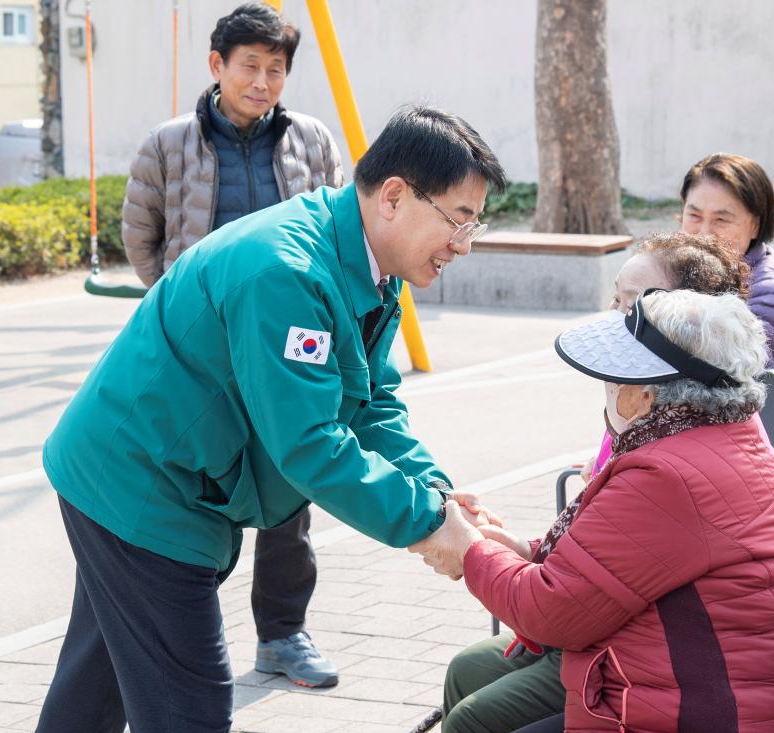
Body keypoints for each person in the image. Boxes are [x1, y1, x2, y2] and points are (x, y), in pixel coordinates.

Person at [35, 106, 507, 733]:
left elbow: (370, 402)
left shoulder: (365, 263)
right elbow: (310, 444)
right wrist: (427, 524)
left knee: (95, 691)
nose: (462, 244)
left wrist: (438, 494)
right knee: (190, 708)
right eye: (458, 220)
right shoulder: (288, 273)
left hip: (153, 476)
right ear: (394, 196)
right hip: (142, 489)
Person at [413, 289, 774, 733]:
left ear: (646, 398)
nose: (609, 390)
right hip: (709, 694)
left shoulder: (668, 476)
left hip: (706, 712)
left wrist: (469, 551)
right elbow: (618, 565)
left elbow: (550, 614)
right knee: (473, 682)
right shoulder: (721, 436)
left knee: (475, 721)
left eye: (617, 379)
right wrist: (521, 550)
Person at [120, 3, 346, 688]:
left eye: (276, 69)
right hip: (200, 357)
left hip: (287, 350)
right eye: (250, 65)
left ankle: (282, 634)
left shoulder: (310, 140)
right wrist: (181, 311)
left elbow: (336, 231)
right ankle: (185, 638)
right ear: (218, 66)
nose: (263, 81)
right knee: (193, 492)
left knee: (289, 492)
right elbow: (142, 236)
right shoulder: (169, 143)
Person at [585, 231, 751, 481]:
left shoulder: (664, 432)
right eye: (615, 299)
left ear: (687, 324)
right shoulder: (634, 404)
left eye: (631, 308)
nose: (617, 318)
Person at [680, 153, 774, 371]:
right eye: (694, 215)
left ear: (755, 225)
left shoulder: (771, 294)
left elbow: (740, 386)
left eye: (721, 219)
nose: (704, 233)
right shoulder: (685, 267)